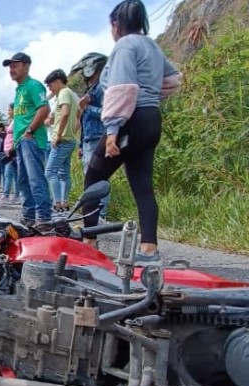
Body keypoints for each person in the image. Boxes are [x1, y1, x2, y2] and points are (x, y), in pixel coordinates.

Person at [82, 0, 182, 264]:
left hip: (130, 118)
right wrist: (150, 94)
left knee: (93, 176)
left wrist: (113, 129)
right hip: (151, 118)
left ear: (117, 24)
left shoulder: (125, 45)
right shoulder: (151, 45)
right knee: (142, 185)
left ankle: (89, 241)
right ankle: (149, 250)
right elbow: (173, 79)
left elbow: (121, 87)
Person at [2, 52, 53, 230]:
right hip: (20, 142)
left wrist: (30, 131)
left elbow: (44, 109)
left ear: (26, 66)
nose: (11, 70)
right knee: (23, 181)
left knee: (35, 179)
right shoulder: (19, 90)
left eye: (15, 66)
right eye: (10, 67)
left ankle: (44, 217)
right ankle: (29, 216)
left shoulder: (34, 85)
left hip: (31, 140)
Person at [72, 52, 109, 219]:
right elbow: (84, 122)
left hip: (98, 138)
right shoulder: (91, 90)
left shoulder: (101, 89)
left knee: (98, 179)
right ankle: (93, 215)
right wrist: (81, 145)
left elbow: (106, 113)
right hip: (88, 140)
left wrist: (87, 107)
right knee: (90, 178)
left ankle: (100, 214)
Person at [44, 69, 79, 212]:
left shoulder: (64, 93)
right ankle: (64, 202)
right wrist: (72, 132)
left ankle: (57, 203)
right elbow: (79, 115)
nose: (50, 88)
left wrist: (58, 135)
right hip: (69, 139)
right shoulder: (71, 94)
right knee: (64, 173)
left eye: (50, 85)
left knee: (50, 171)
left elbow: (64, 114)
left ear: (58, 81)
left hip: (62, 140)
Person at [0, 103, 20, 204]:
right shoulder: (12, 121)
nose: (8, 112)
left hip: (12, 152)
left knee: (8, 173)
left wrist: (12, 148)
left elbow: (17, 135)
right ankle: (16, 195)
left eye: (9, 110)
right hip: (9, 152)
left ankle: (6, 195)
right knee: (14, 174)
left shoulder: (17, 121)